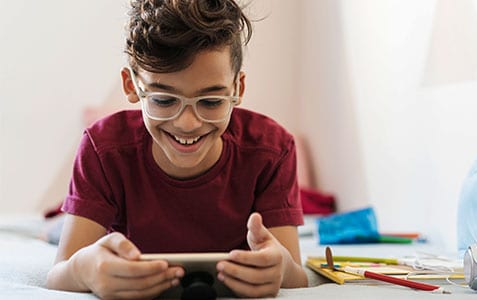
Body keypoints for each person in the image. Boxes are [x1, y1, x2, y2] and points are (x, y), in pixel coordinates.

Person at [45, 0, 308, 298]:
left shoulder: (273, 150)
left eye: (211, 102)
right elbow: (60, 274)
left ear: (237, 89)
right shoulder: (102, 148)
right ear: (132, 86)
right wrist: (84, 269)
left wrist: (282, 267)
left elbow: (296, 276)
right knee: (59, 233)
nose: (187, 123)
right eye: (164, 100)